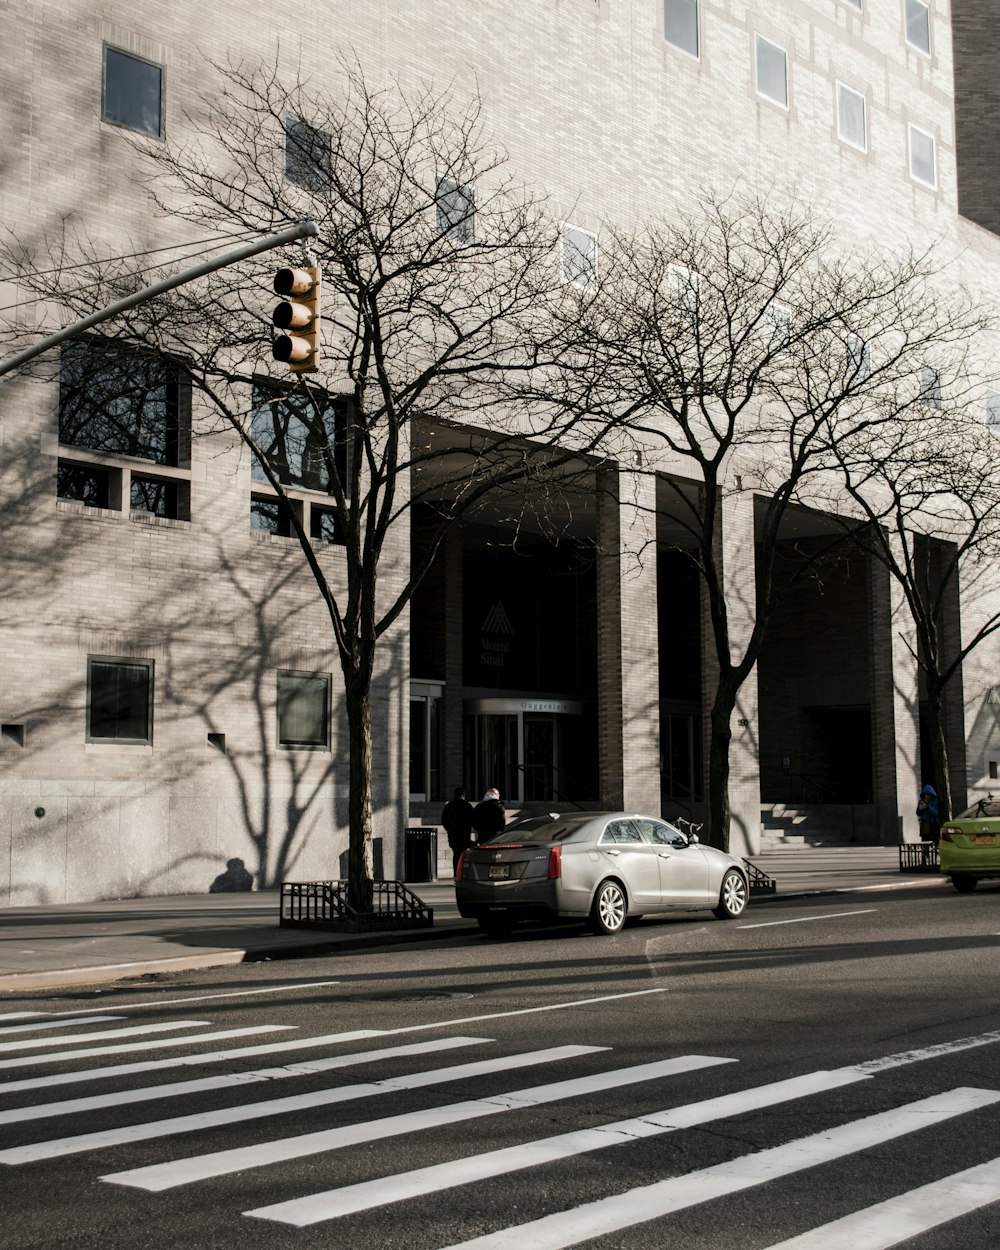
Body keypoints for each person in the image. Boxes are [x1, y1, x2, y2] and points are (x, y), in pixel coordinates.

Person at [441, 786, 476, 875]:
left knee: (456, 854)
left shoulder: (449, 806)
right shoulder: (467, 806)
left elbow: (445, 821)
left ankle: (456, 873)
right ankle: (462, 873)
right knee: (463, 855)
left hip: (453, 835)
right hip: (464, 834)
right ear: (463, 795)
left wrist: (450, 829)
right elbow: (473, 820)